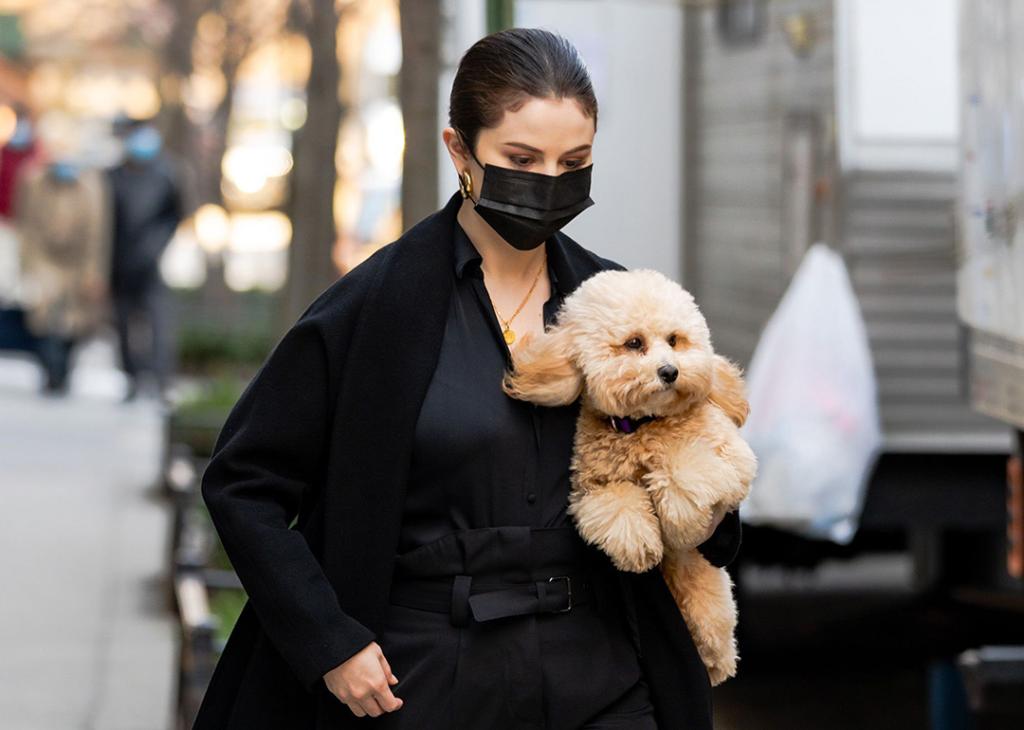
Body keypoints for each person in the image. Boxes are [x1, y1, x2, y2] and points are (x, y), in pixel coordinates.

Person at [194, 28, 741, 730]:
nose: (549, 181)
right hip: (423, 675)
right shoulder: (378, 308)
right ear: (460, 152)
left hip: (604, 671)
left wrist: (707, 496)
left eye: (573, 162)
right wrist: (331, 642)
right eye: (522, 159)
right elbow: (244, 483)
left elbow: (694, 455)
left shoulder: (619, 303)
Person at [14, 147, 110, 394]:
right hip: (45, 258)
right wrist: (27, 267)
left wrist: (93, 273)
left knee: (73, 321)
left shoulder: (91, 189)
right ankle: (51, 372)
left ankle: (65, 369)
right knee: (43, 318)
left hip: (77, 262)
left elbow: (97, 235)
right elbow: (27, 226)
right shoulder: (35, 182)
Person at [106, 120, 186, 403]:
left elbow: (175, 215)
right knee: (122, 326)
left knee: (159, 325)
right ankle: (132, 378)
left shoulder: (167, 174)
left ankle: (162, 381)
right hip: (118, 265)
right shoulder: (113, 177)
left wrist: (154, 246)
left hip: (151, 265)